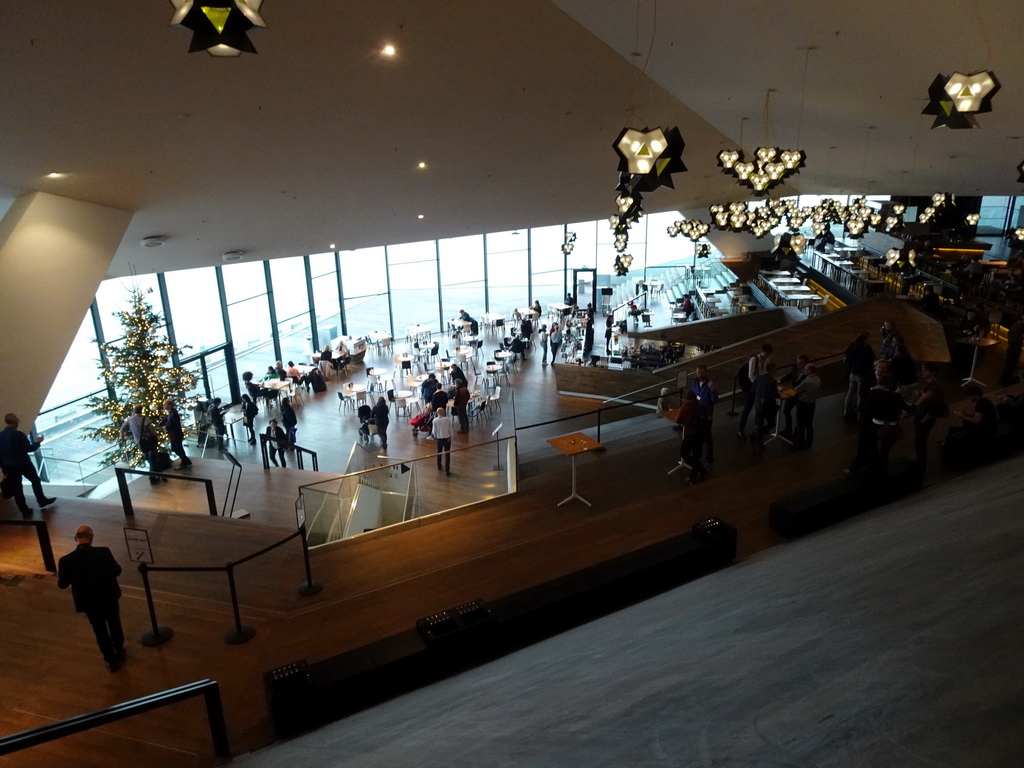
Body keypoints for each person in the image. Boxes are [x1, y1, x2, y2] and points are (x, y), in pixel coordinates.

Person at [58, 525, 124, 671]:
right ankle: (119, 649)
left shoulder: (65, 561)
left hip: (87, 601)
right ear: (92, 536)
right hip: (109, 595)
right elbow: (117, 571)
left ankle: (110, 659)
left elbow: (62, 584)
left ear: (76, 538)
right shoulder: (103, 552)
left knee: (99, 629)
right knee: (114, 623)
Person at [848, 373, 911, 473]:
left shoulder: (874, 393)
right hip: (891, 426)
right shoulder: (895, 396)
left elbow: (867, 409)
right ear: (892, 384)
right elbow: (908, 408)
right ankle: (881, 469)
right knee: (885, 450)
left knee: (865, 447)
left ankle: (853, 468)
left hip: (876, 424)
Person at [0, 413, 56, 516]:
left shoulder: (0, 436)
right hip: (24, 464)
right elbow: (29, 448)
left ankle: (24, 510)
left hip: (10, 467)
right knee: (35, 480)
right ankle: (41, 500)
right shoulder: (19, 435)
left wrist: (4, 467)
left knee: (18, 489)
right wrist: (38, 442)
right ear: (15, 422)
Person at [911, 361, 946, 465]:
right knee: (920, 439)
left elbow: (925, 398)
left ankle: (921, 462)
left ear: (933, 372)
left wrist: (912, 407)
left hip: (925, 417)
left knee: (920, 440)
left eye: (925, 370)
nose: (922, 372)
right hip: (923, 415)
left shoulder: (934, 386)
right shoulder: (931, 383)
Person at [120, 404, 162, 484]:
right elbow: (152, 432)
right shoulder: (146, 420)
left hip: (139, 443)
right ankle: (153, 477)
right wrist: (156, 438)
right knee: (152, 459)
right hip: (149, 441)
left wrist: (122, 438)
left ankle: (158, 473)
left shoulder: (130, 420)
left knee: (148, 458)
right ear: (141, 410)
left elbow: (122, 429)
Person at [738, 343, 774, 436]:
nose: (768, 356)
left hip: (760, 386)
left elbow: (765, 372)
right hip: (752, 386)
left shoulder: (767, 360)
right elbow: (751, 375)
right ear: (764, 352)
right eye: (767, 354)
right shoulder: (754, 359)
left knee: (759, 407)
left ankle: (757, 426)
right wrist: (758, 384)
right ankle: (740, 429)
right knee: (748, 407)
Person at [675, 391, 707, 485]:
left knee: (684, 452)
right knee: (697, 456)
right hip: (700, 435)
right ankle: (697, 472)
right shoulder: (701, 407)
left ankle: (697, 472)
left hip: (691, 434)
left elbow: (678, 420)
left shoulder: (685, 408)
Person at [690, 365, 719, 464]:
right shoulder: (694, 382)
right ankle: (697, 456)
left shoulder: (709, 385)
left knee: (707, 437)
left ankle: (709, 458)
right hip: (696, 413)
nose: (699, 375)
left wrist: (713, 391)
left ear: (706, 373)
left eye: (701, 373)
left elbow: (715, 400)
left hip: (706, 415)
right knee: (696, 435)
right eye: (698, 372)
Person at [843, 332, 875, 420]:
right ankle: (859, 416)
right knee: (860, 395)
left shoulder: (853, 347)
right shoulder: (864, 350)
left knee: (850, 392)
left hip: (853, 373)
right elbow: (869, 360)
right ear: (864, 340)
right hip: (862, 375)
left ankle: (846, 411)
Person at [749, 361, 779, 450]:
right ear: (772, 370)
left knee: (759, 423)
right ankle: (756, 437)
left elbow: (752, 390)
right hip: (767, 406)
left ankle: (759, 443)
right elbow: (775, 395)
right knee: (771, 423)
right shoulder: (772, 382)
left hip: (758, 405)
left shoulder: (758, 378)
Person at [778, 354, 809, 437]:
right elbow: (791, 374)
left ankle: (796, 432)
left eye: (800, 363)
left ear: (805, 363)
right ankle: (788, 429)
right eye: (797, 362)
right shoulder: (795, 367)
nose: (798, 364)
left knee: (800, 415)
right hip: (792, 393)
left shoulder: (808, 372)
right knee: (786, 411)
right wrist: (781, 380)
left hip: (801, 396)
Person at [792, 363, 821, 449]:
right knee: (809, 424)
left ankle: (799, 443)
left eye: (805, 369)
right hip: (812, 404)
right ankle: (809, 442)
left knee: (800, 424)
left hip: (803, 405)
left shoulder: (806, 382)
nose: (804, 370)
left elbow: (796, 391)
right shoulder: (818, 379)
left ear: (810, 370)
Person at [159, 398, 191, 468]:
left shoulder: (174, 413)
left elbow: (175, 425)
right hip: (173, 434)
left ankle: (185, 461)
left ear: (170, 405)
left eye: (165, 404)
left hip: (176, 434)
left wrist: (166, 427)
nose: (163, 406)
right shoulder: (170, 413)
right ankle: (185, 460)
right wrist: (161, 424)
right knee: (176, 448)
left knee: (178, 448)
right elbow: (165, 420)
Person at [1001, 312, 1024, 385]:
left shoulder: (1018, 326)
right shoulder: (1017, 326)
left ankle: (1005, 381)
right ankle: (1004, 381)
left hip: (1014, 348)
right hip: (1013, 348)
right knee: (1010, 365)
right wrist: (1021, 339)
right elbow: (1012, 340)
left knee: (1011, 365)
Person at [431, 405, 454, 476]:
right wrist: (451, 437)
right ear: (443, 412)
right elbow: (450, 430)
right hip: (447, 439)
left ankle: (439, 466)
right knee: (447, 455)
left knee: (439, 453)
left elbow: (434, 431)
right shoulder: (447, 420)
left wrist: (435, 437)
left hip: (439, 439)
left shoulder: (434, 421)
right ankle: (447, 470)